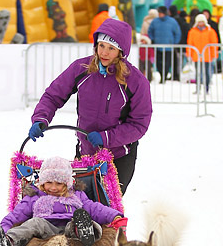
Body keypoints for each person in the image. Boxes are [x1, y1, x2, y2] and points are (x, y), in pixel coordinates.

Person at [28, 18, 152, 195]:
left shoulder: (135, 81)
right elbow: (53, 95)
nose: (104, 52)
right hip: (85, 152)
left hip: (118, 156)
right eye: (101, 46)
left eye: (111, 48)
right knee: (79, 207)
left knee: (106, 210)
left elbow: (139, 124)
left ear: (121, 51)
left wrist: (106, 138)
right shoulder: (82, 69)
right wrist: (41, 118)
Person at [0, 157, 124, 246]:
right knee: (33, 223)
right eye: (48, 183)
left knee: (86, 218)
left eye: (59, 183)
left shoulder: (76, 195)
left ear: (67, 183)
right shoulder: (34, 196)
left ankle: (86, 231)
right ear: (42, 182)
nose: (53, 188)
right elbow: (16, 215)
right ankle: (6, 243)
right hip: (46, 229)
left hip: (72, 228)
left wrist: (115, 216)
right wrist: (5, 229)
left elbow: (94, 208)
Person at [186, 13, 218, 94]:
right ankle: (198, 88)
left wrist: (214, 55)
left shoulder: (210, 31)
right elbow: (190, 44)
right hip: (196, 55)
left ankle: (206, 88)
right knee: (198, 73)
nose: (201, 24)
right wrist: (189, 54)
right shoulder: (192, 31)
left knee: (207, 73)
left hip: (207, 56)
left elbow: (214, 44)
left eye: (202, 22)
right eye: (199, 22)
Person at [147, 5, 181, 82]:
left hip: (168, 47)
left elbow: (177, 33)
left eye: (161, 13)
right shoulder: (155, 21)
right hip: (158, 46)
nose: (160, 14)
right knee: (158, 63)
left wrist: (174, 43)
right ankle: (162, 74)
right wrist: (153, 39)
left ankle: (164, 76)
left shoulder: (172, 21)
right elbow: (150, 31)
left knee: (167, 63)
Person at [138, 8, 157, 79]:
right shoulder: (156, 22)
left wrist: (143, 39)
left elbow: (142, 32)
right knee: (149, 62)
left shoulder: (145, 21)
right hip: (152, 42)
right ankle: (150, 76)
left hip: (145, 41)